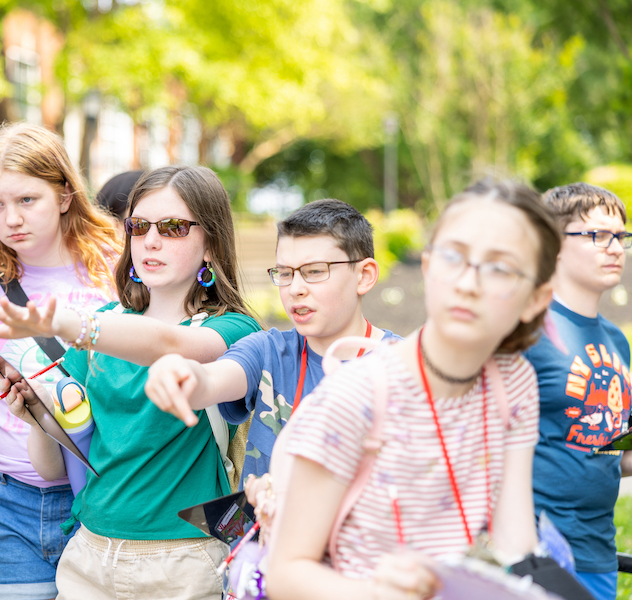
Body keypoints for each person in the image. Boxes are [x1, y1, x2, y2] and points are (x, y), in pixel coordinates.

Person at [0, 165, 261, 600]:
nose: (151, 240)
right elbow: (55, 467)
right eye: (139, 226)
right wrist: (36, 413)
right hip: (88, 554)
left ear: (211, 244)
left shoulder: (234, 331)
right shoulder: (106, 321)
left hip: (182, 562)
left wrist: (69, 324)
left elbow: (170, 342)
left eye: (173, 227)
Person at [265, 179, 558, 600]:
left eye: (499, 267)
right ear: (427, 266)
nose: (468, 282)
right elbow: (287, 574)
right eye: (454, 256)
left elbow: (516, 543)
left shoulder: (512, 382)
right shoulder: (357, 395)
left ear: (536, 298)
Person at [0, 122, 120, 600]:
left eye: (26, 200)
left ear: (64, 194)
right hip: (6, 500)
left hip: (98, 496)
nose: (11, 218)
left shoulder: (114, 273)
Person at [145, 199, 398, 488]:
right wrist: (183, 374)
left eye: (315, 271)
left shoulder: (405, 368)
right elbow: (213, 378)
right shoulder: (267, 352)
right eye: (285, 274)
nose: (295, 289)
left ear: (364, 275)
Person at [526, 183, 631, 600]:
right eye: (596, 235)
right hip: (538, 552)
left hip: (598, 551)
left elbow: (609, 453)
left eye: (620, 236)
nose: (615, 247)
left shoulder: (617, 341)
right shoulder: (527, 332)